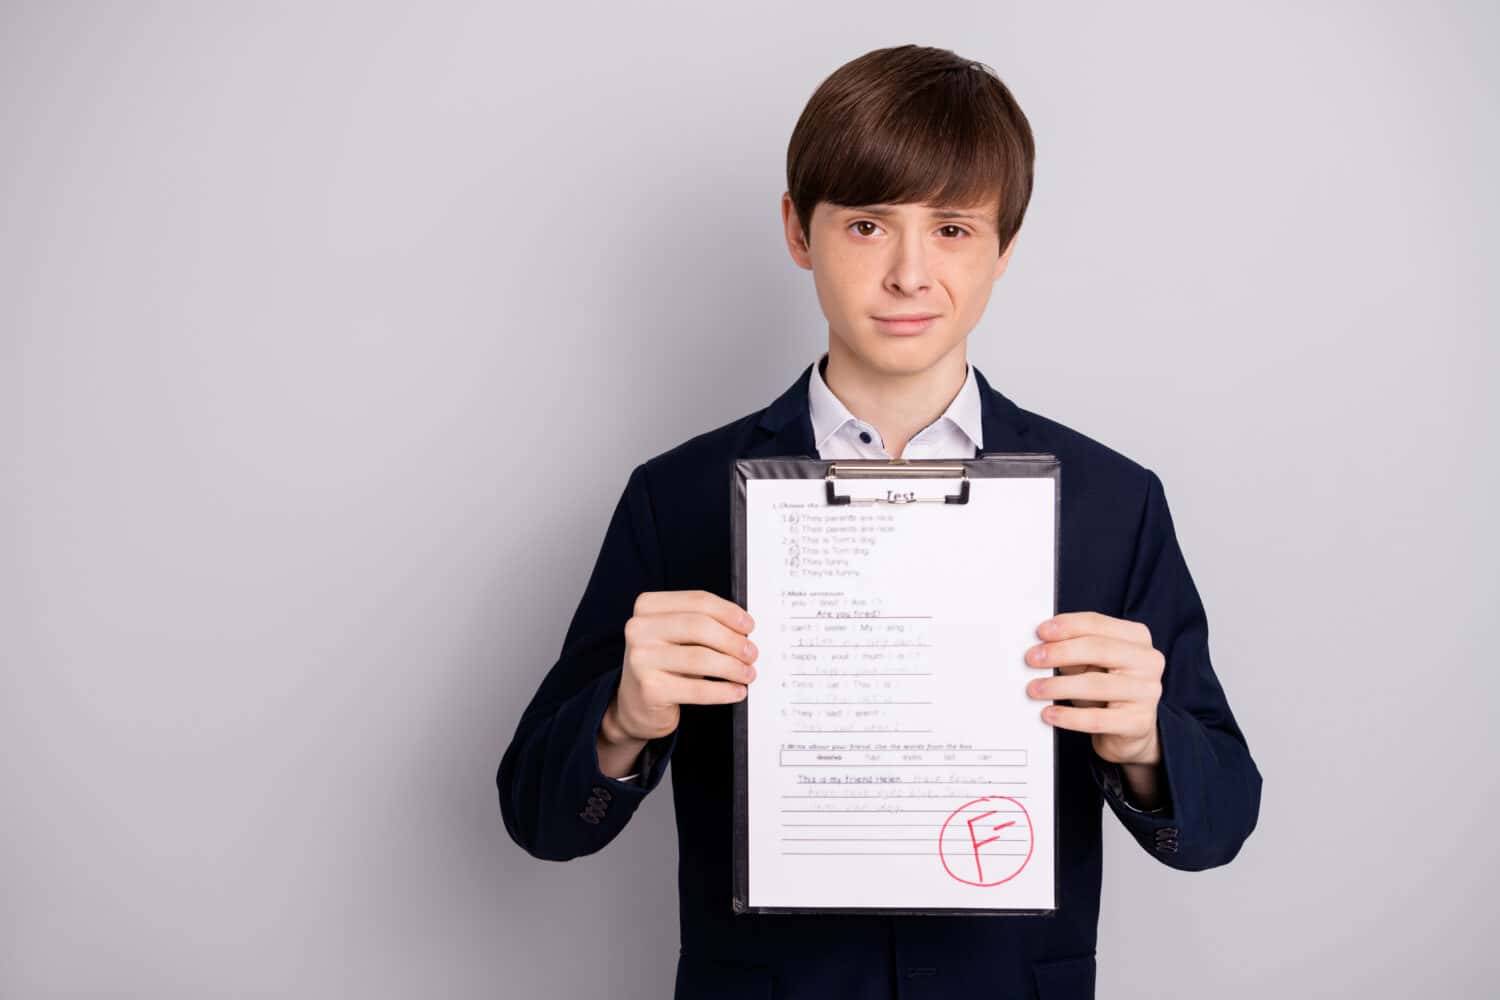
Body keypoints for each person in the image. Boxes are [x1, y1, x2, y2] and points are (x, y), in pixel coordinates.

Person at [497, 43, 1262, 1000]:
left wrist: (1148, 741)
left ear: (1006, 246)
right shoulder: (680, 496)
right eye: (866, 224)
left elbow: (1222, 822)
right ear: (797, 230)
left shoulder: (1111, 500)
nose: (909, 273)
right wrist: (620, 721)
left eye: (952, 228)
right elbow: (539, 815)